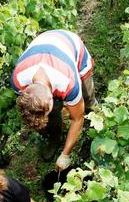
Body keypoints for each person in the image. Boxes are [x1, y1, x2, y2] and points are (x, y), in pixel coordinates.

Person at [11, 30, 97, 170]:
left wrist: (65, 155)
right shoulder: (18, 81)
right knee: (52, 117)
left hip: (70, 44)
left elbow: (77, 119)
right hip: (41, 50)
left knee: (88, 102)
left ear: (52, 97)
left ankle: (96, 122)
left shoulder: (68, 83)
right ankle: (54, 138)